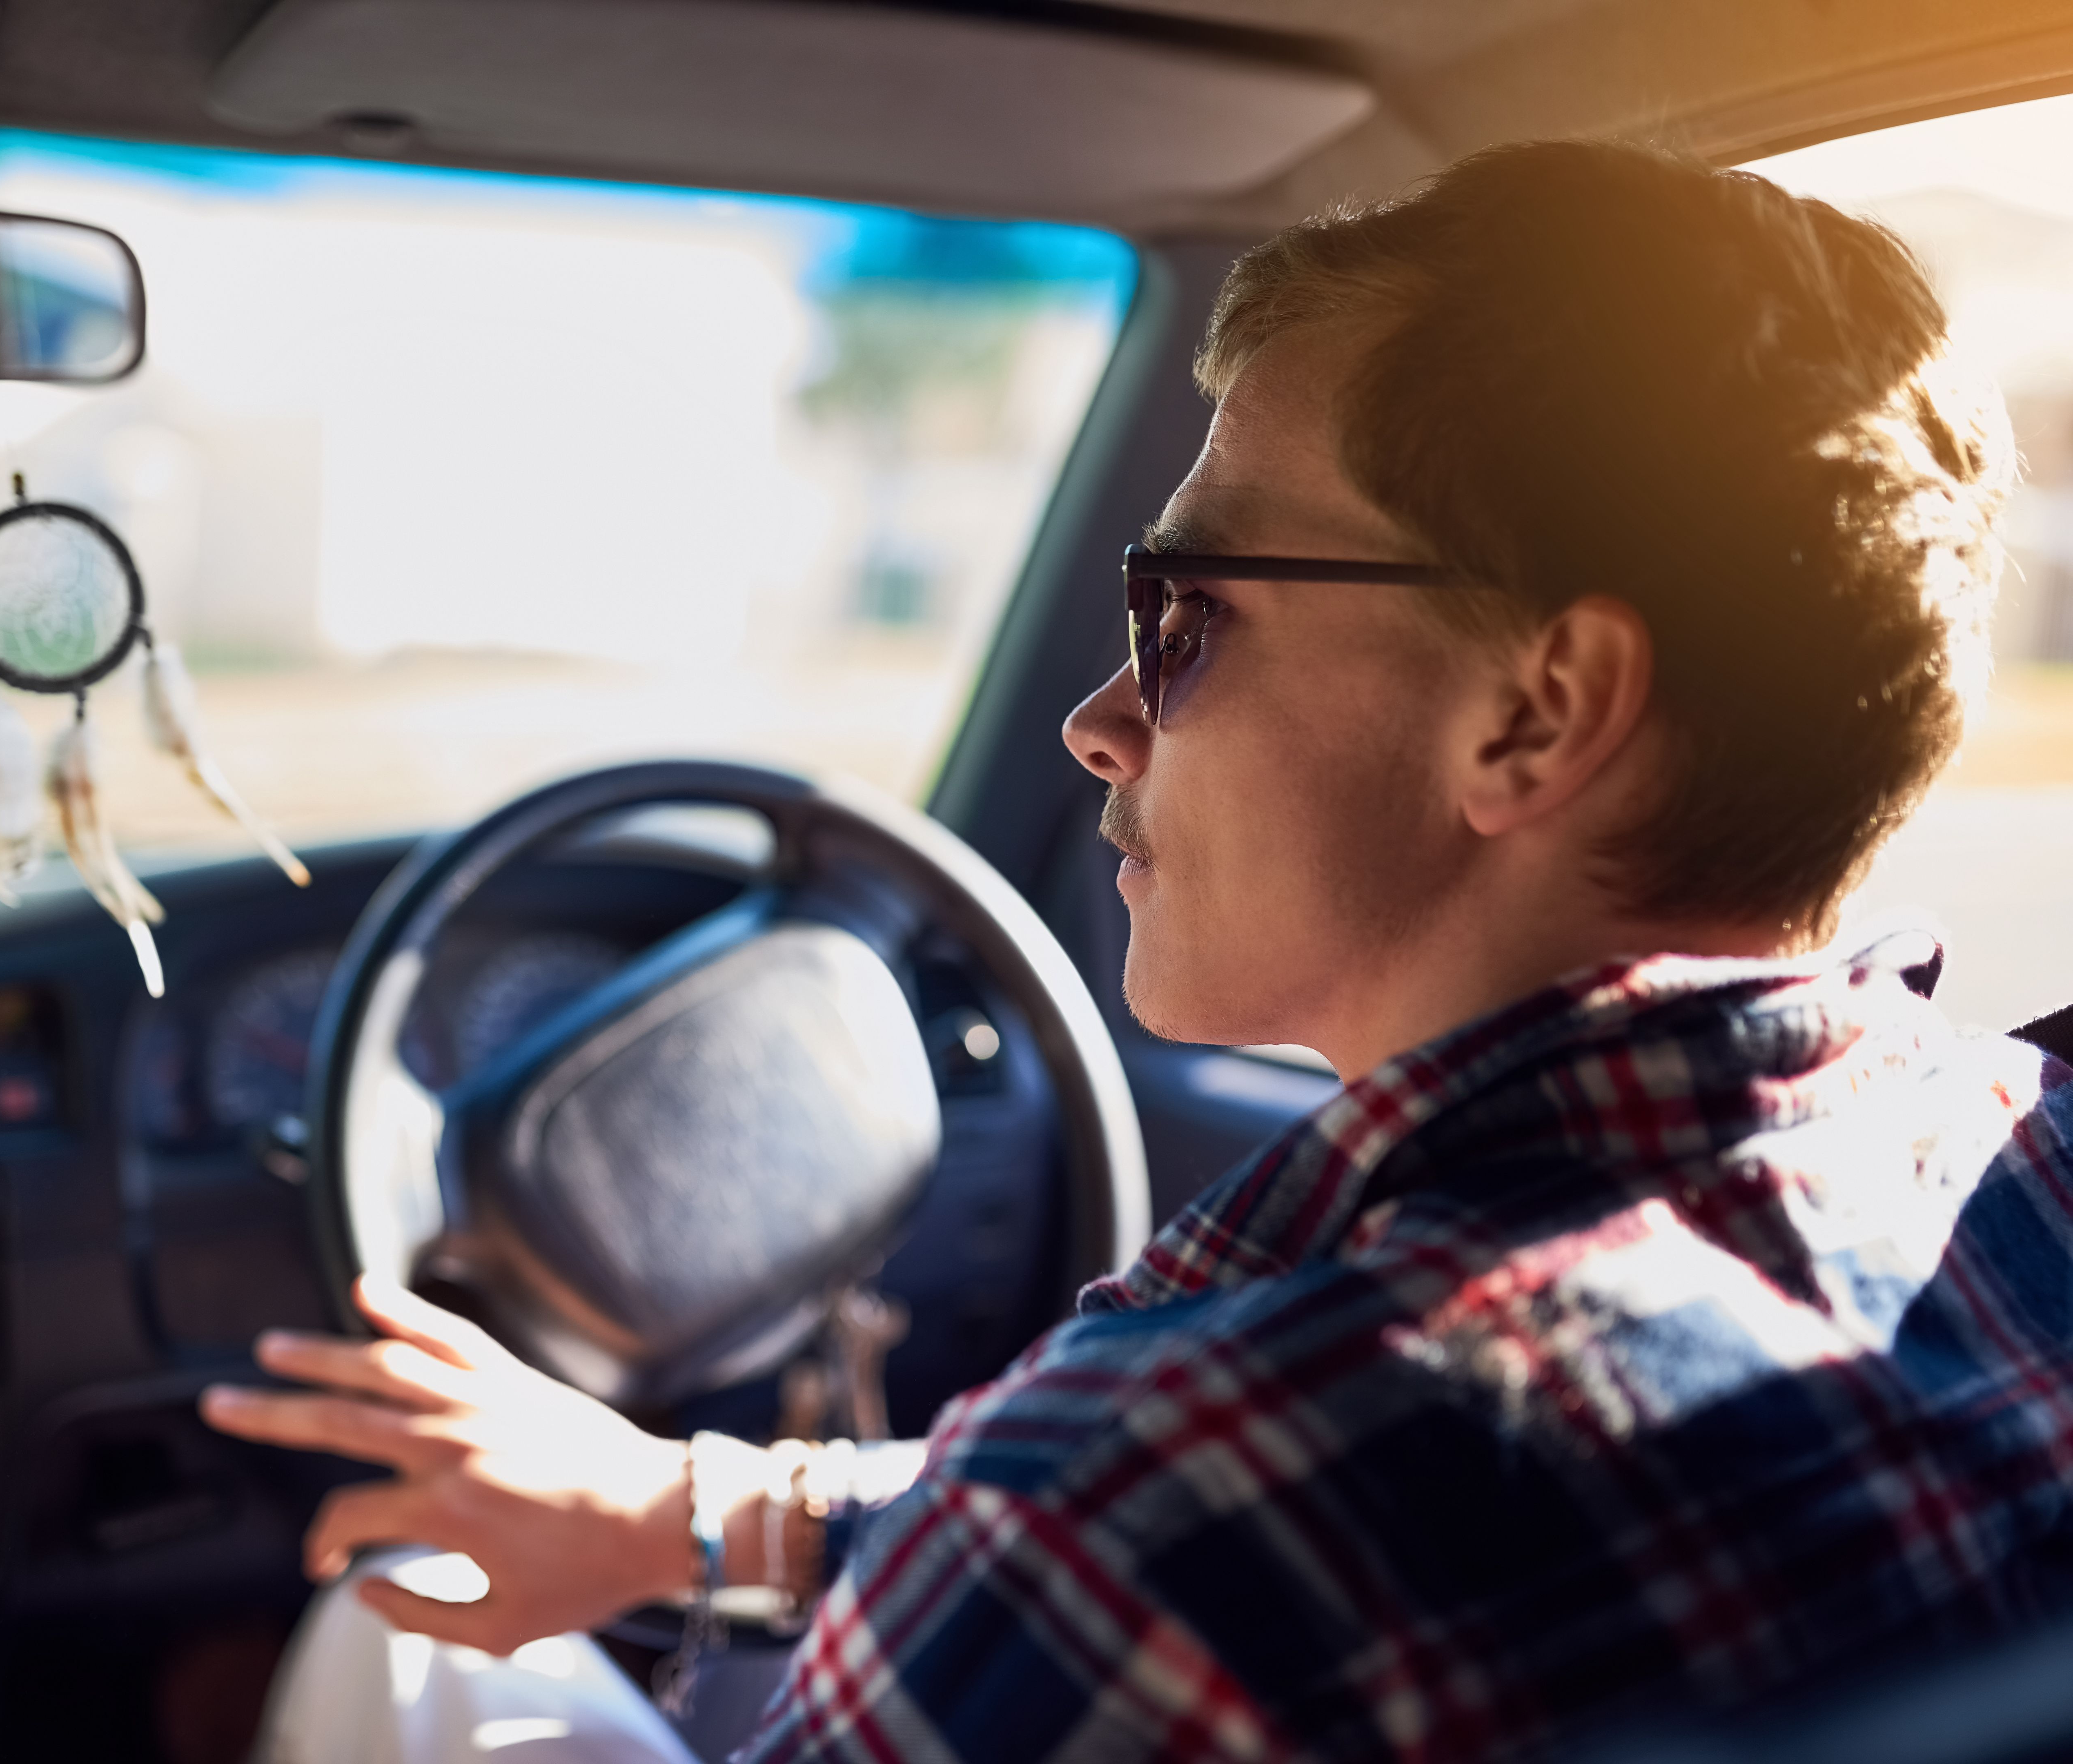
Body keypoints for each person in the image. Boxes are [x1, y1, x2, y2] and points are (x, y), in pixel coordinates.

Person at [200, 139, 2073, 1762]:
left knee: (401, 1619)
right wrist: (692, 1511)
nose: (1100, 719)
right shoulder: (2017, 1160)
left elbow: (1148, 1550)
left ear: (1534, 711)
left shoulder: (1144, 1498)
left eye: (1186, 614)